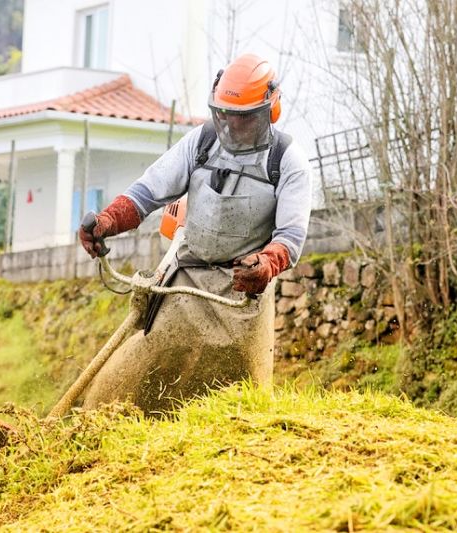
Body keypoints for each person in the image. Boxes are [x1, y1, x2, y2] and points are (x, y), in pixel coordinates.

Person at [79, 54, 312, 415]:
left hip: (242, 295)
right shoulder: (202, 142)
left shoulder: (287, 161)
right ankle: (94, 418)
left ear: (269, 111)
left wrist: (265, 264)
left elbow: (291, 237)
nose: (232, 127)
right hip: (185, 279)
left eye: (243, 118)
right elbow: (147, 192)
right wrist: (108, 220)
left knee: (232, 397)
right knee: (144, 367)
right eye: (225, 116)